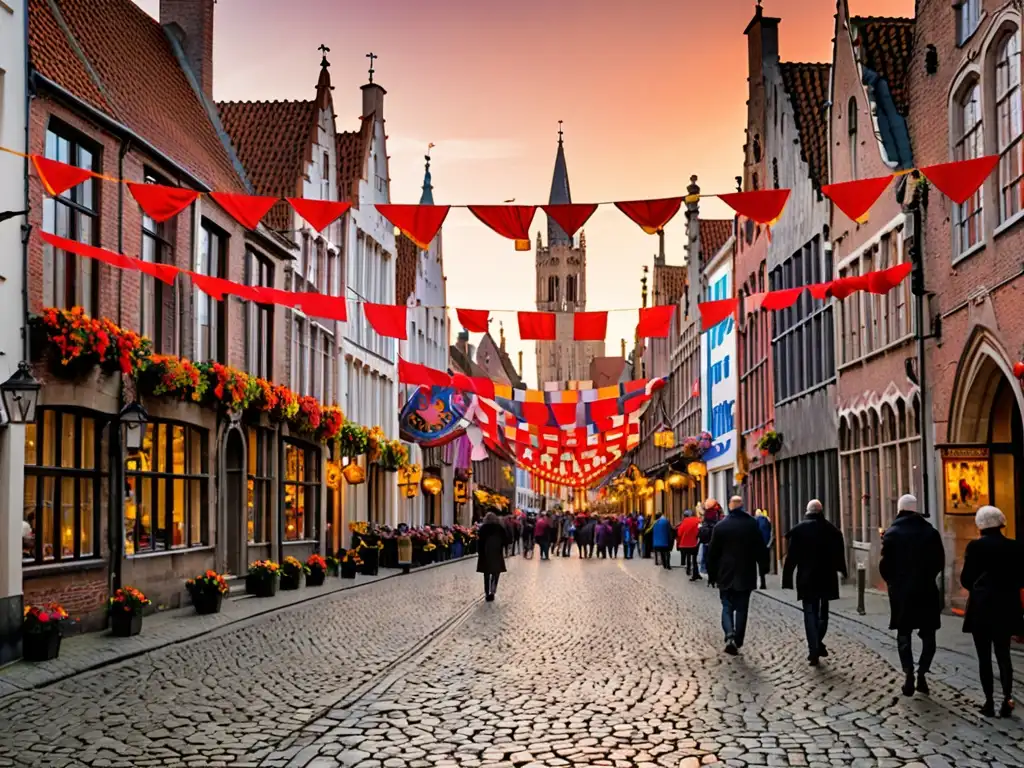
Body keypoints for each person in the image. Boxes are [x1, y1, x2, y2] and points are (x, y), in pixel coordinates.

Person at [960, 505, 1024, 717]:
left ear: (980, 525)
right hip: (1006, 606)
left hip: (982, 607)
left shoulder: (975, 547)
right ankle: (1007, 698)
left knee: (984, 656)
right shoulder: (1014, 546)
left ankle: (988, 701)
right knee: (1004, 654)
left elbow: (966, 579)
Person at [879, 494, 945, 697]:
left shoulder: (892, 534)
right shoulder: (930, 532)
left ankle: (908, 673)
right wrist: (928, 577)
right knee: (929, 634)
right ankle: (922, 673)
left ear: (899, 509)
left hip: (902, 592)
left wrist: (893, 582)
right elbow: (939, 562)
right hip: (926, 589)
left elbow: (885, 566)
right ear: (915, 510)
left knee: (904, 633)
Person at [781, 499, 847, 666]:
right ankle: (817, 644)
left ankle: (813, 649)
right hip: (826, 577)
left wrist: (787, 577)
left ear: (807, 511)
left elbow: (791, 556)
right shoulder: (831, 530)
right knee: (823, 613)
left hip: (806, 578)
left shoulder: (799, 530)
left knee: (810, 613)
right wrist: (842, 570)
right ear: (821, 511)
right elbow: (839, 552)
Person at [707, 496, 768, 655]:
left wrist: (712, 575)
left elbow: (712, 553)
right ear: (742, 506)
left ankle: (729, 635)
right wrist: (764, 568)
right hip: (746, 572)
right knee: (742, 608)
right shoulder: (751, 524)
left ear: (729, 507)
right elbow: (760, 548)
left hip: (725, 573)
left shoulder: (720, 526)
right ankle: (738, 639)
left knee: (727, 606)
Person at [477, 512, 509, 601]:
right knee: (495, 573)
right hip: (497, 554)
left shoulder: (483, 528)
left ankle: (487, 592)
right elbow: (506, 540)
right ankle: (492, 591)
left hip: (485, 554)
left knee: (486, 574)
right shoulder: (500, 528)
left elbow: (479, 542)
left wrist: (480, 552)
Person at [698, 500, 721, 585]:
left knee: (707, 557)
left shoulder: (708, 513)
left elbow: (705, 524)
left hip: (707, 539)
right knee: (714, 558)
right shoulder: (717, 512)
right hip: (714, 539)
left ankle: (708, 574)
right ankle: (714, 575)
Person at [677, 509, 700, 579]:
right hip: (694, 543)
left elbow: (679, 533)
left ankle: (688, 569)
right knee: (694, 559)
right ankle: (695, 573)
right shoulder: (697, 520)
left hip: (685, 544)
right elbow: (698, 531)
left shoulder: (683, 522)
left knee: (688, 556)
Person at [755, 509, 773, 589]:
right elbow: (771, 531)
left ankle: (759, 583)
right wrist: (768, 544)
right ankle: (763, 581)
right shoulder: (767, 520)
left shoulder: (755, 521)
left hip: (757, 546)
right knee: (763, 564)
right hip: (766, 545)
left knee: (757, 565)